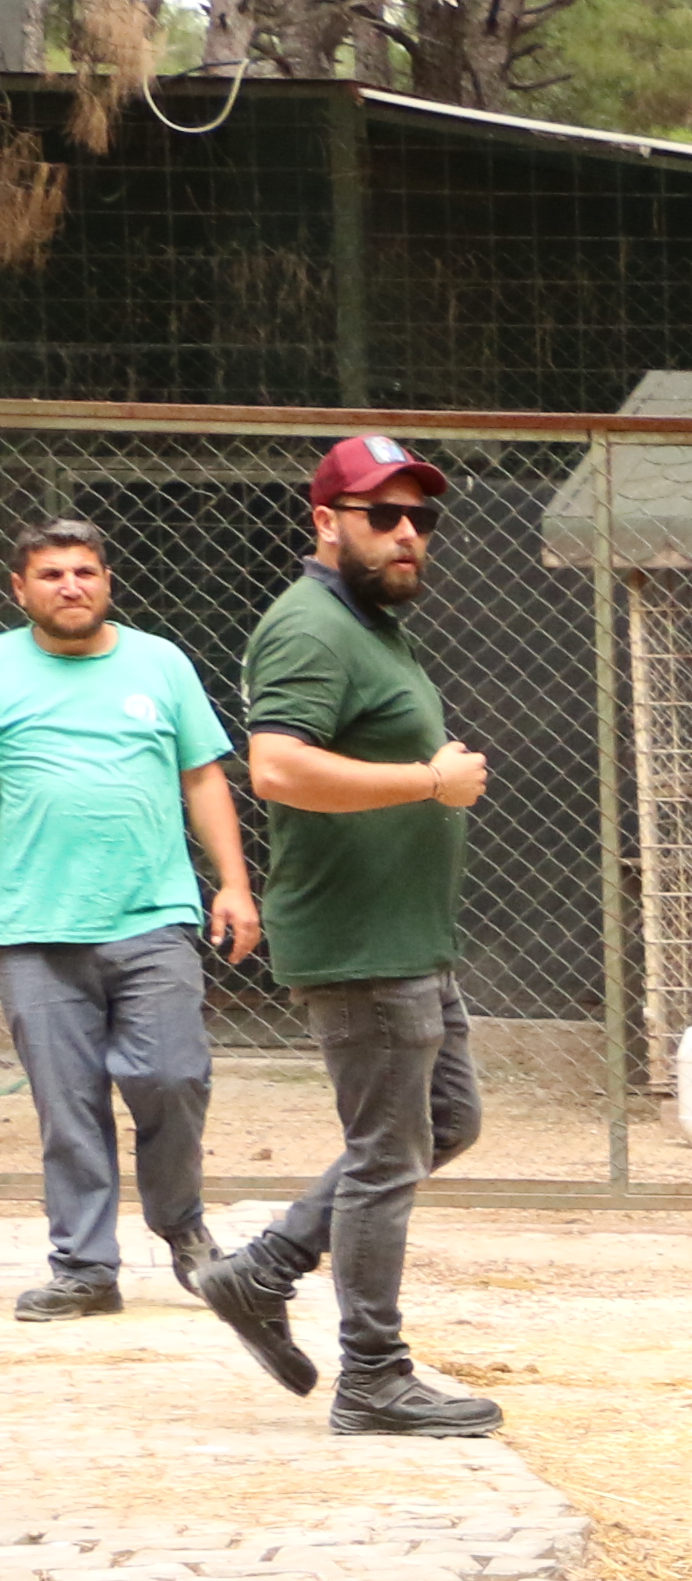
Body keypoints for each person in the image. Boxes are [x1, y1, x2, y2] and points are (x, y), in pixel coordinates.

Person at [203, 435, 495, 1433]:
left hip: (410, 937)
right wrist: (428, 782)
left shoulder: (370, 625)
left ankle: (263, 1268)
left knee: (442, 1126)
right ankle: (372, 1375)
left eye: (420, 517)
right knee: (385, 1152)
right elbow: (277, 768)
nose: (408, 533)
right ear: (325, 521)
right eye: (383, 515)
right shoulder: (309, 629)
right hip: (360, 943)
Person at [0, 517, 255, 1321]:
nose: (70, 586)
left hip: (153, 916)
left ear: (107, 581)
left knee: (173, 1076)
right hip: (33, 925)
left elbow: (204, 778)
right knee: (66, 1102)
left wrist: (234, 885)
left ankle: (182, 1229)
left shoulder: (160, 662)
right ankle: (84, 1268)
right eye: (51, 575)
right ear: (20, 589)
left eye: (84, 571)